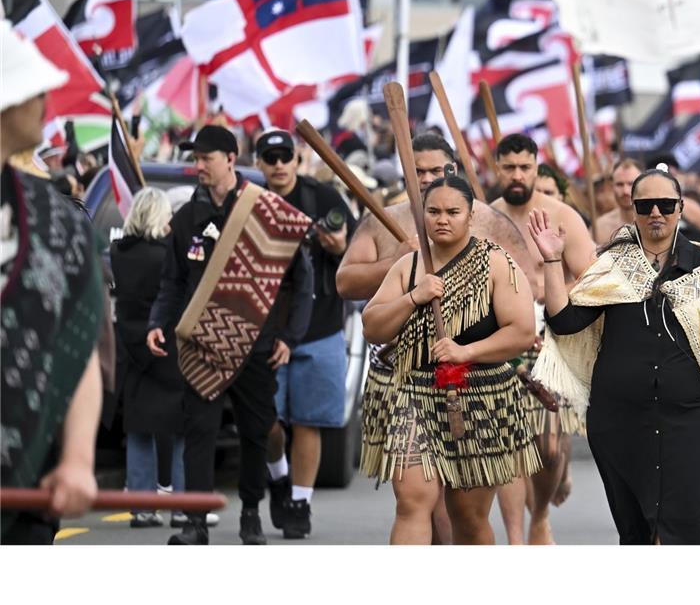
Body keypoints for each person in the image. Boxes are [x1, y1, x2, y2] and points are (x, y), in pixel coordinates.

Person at [534, 165, 700, 544]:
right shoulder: (611, 264)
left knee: (683, 536)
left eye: (665, 204)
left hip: (689, 418)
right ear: (633, 209)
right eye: (646, 205)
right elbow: (564, 322)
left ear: (681, 208)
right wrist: (552, 261)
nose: (656, 212)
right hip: (619, 420)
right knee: (636, 535)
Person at [342, 133, 537, 545]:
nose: (442, 219)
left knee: (467, 515)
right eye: (433, 211)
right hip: (412, 392)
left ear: (470, 215)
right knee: (413, 500)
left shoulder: (495, 263)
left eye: (452, 211)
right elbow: (373, 325)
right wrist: (414, 296)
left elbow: (521, 332)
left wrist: (467, 350)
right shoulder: (408, 266)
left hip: (481, 395)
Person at [146, 125, 314, 545]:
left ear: (230, 157)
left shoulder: (268, 212)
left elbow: (301, 281)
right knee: (199, 432)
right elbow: (172, 282)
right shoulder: (186, 218)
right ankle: (196, 521)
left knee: (255, 433)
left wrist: (289, 338)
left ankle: (252, 514)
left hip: (256, 347)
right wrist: (156, 323)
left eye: (205, 158)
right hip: (201, 344)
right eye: (195, 158)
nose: (198, 165)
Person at [1, 20, 104, 544]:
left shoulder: (57, 221)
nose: (45, 98)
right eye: (29, 87)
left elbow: (76, 346)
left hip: (28, 493)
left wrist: (78, 460)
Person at [490, 132, 596, 544]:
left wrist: (549, 308)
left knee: (549, 449)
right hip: (502, 346)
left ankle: (540, 516)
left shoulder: (562, 216)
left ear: (537, 167)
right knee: (508, 446)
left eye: (525, 167)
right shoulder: (483, 217)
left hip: (551, 345)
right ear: (497, 168)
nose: (517, 175)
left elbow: (589, 280)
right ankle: (518, 537)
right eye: (509, 167)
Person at [253, 129, 357, 540]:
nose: (279, 164)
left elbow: (357, 260)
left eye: (285, 156)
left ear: (297, 160)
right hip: (266, 331)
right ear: (259, 162)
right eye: (270, 157)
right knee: (266, 421)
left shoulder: (325, 199)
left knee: (309, 422)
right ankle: (278, 477)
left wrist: (337, 247)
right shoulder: (252, 203)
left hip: (320, 328)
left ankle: (299, 502)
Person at [112, 188, 199, 529]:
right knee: (179, 431)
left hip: (133, 350)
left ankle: (142, 507)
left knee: (138, 430)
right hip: (168, 346)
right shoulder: (166, 257)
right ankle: (180, 506)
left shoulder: (118, 253)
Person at [594, 159, 642, 243]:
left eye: (631, 184)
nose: (625, 191)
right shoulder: (600, 226)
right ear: (612, 186)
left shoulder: (655, 220)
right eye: (620, 184)